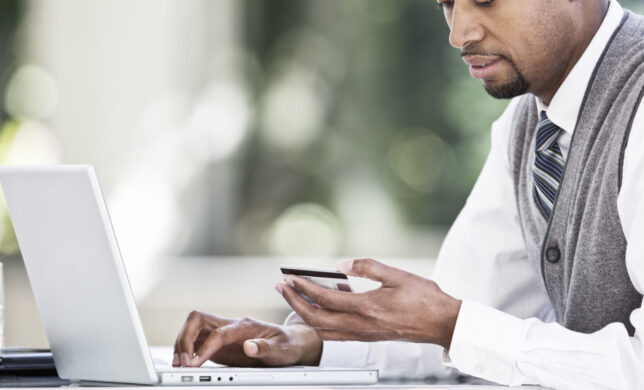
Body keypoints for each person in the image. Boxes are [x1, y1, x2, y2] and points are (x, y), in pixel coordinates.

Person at [172, 0, 644, 388]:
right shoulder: (525, 129)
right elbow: (469, 316)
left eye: (484, 0)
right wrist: (308, 346)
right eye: (446, 3)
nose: (459, 34)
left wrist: (451, 324)